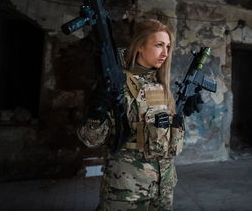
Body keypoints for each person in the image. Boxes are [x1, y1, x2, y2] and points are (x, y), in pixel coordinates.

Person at [77, 19, 201, 211]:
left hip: (163, 188)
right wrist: (96, 113)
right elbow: (90, 140)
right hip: (127, 191)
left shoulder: (161, 85)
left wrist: (182, 112)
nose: (165, 53)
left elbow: (161, 133)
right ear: (140, 46)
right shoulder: (117, 84)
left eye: (168, 46)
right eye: (159, 45)